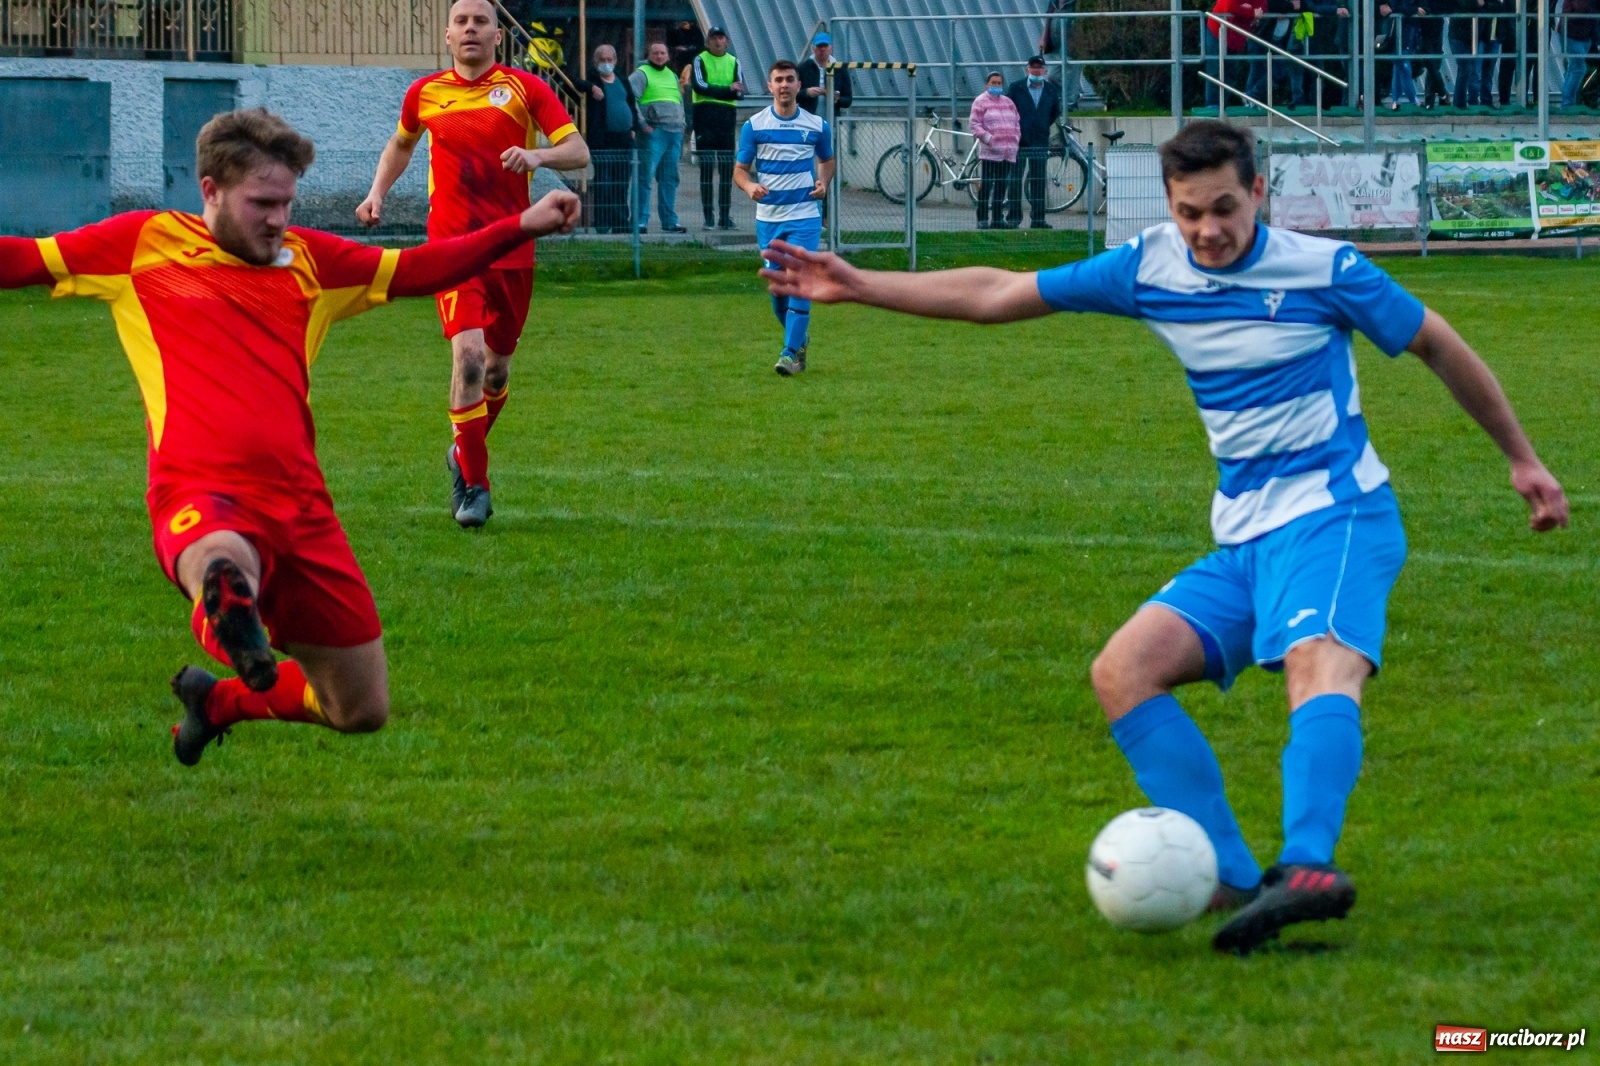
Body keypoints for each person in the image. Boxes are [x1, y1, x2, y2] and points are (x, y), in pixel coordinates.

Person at [759, 120, 1568, 954]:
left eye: (1224, 208)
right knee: (1123, 672)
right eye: (1189, 213)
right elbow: (1001, 292)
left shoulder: (1327, 270)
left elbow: (1436, 342)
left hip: (1337, 515)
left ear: (1259, 193)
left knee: (1317, 662)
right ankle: (1230, 877)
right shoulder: (1151, 266)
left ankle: (1308, 868)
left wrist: (1522, 459)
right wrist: (862, 286)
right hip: (1244, 538)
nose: (1207, 231)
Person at [0, 109, 582, 767]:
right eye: (261, 203)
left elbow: (418, 268)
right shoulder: (143, 244)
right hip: (200, 490)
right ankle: (224, 602)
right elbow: (20, 259)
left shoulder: (312, 259)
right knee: (222, 562)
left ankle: (219, 702)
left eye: (286, 202)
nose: (278, 218)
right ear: (211, 190)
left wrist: (519, 227)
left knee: (359, 707)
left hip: (304, 510)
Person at [357, 0, 588, 529]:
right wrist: (376, 194)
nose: (470, 29)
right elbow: (400, 144)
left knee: (497, 371)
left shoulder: (526, 90)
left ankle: (462, 451)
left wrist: (537, 157)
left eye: (481, 21)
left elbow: (577, 150)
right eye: (461, 21)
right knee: (468, 360)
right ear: (447, 36)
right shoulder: (424, 93)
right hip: (453, 250)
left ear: (497, 36)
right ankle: (475, 489)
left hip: (513, 249)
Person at [733, 59, 834, 377]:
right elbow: (739, 171)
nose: (785, 85)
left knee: (800, 282)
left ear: (799, 85)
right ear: (770, 86)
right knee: (778, 288)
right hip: (769, 218)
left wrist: (824, 183)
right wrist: (749, 186)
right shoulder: (755, 125)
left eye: (790, 79)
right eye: (779, 79)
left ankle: (789, 353)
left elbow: (827, 159)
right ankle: (800, 339)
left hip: (805, 215)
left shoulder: (816, 125)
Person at [574, 44, 647, 233]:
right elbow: (572, 81)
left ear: (615, 60)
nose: (606, 64)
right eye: (602, 60)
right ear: (596, 61)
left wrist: (634, 127)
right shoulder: (592, 79)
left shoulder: (622, 78)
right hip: (603, 140)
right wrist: (591, 88)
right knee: (604, 182)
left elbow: (630, 103)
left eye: (609, 60)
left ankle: (620, 221)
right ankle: (603, 221)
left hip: (624, 139)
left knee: (622, 182)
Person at [690, 27, 747, 230]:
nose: (717, 42)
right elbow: (699, 86)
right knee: (706, 170)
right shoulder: (700, 59)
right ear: (708, 42)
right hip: (704, 117)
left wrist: (727, 92)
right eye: (713, 38)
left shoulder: (734, 62)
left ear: (727, 41)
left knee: (725, 170)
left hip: (726, 119)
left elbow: (740, 92)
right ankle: (708, 217)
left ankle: (725, 216)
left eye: (720, 38)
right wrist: (727, 91)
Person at [631, 40, 688, 234]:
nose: (659, 56)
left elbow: (679, 101)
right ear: (649, 55)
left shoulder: (672, 75)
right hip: (653, 132)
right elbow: (632, 100)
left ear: (668, 56)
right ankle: (640, 221)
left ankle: (670, 221)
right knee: (644, 177)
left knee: (670, 179)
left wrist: (683, 125)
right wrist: (642, 125)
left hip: (674, 132)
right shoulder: (641, 74)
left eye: (663, 53)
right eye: (655, 53)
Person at [1006, 56, 1062, 229]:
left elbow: (1055, 112)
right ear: (1027, 70)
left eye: (1040, 68)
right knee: (1014, 180)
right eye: (1033, 68)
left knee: (1038, 180)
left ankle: (1038, 219)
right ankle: (1013, 218)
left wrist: (1042, 125)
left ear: (1044, 71)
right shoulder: (1016, 88)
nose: (1036, 71)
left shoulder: (1051, 90)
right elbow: (1008, 111)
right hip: (1019, 142)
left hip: (1040, 140)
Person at [969, 71, 1020, 229]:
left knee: (1001, 186)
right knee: (986, 186)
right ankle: (982, 218)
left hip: (1007, 152)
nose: (996, 85)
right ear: (987, 84)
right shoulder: (980, 101)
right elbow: (974, 125)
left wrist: (1015, 140)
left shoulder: (1008, 102)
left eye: (999, 83)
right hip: (990, 153)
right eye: (994, 83)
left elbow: (1016, 122)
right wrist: (989, 139)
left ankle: (997, 218)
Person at [1203, 0, 1264, 108]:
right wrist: (1251, 12)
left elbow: (1261, 7)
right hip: (1217, 31)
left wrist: (1249, 11)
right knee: (1215, 69)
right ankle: (1212, 104)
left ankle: (1223, 104)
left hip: (1236, 36)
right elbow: (1230, 7)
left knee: (1230, 72)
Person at [797, 31, 853, 116]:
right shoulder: (804, 68)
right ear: (813, 48)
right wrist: (806, 92)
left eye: (825, 46)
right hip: (807, 121)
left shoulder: (840, 69)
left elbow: (848, 100)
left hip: (831, 121)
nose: (822, 49)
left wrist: (837, 99)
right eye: (819, 46)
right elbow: (793, 96)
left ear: (831, 48)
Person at [1561, 0, 1597, 107]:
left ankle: (1567, 102)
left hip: (1583, 35)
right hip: (1572, 34)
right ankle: (1567, 103)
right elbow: (1580, 8)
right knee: (1578, 68)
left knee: (1574, 68)